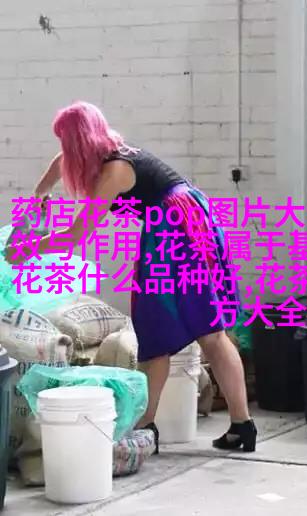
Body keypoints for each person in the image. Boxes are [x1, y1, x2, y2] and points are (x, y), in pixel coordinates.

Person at [5, 101, 257, 454]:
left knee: (174, 331)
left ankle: (148, 426)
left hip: (176, 233)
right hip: (189, 222)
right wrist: (40, 192)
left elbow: (77, 234)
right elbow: (61, 163)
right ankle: (233, 425)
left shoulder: (114, 172)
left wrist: (30, 248)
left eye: (66, 141)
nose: (63, 150)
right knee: (200, 330)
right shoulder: (110, 149)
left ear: (78, 142)